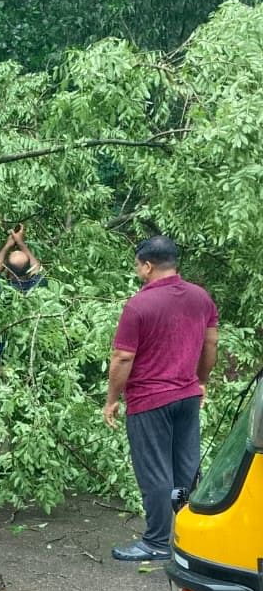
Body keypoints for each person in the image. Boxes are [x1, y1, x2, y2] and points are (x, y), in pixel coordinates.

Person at [103, 235, 218, 562]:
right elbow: (211, 345)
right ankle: (189, 537)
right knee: (186, 467)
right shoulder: (201, 297)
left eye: (138, 265)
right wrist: (202, 381)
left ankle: (156, 542)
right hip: (187, 395)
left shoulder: (139, 304)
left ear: (148, 265)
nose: (138, 271)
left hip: (150, 399)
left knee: (154, 472)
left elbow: (123, 358)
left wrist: (112, 398)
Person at [0, 225, 45, 292]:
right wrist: (20, 242)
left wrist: (8, 245)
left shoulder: (3, 289)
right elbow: (36, 267)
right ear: (29, 269)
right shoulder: (38, 285)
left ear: (8, 270)